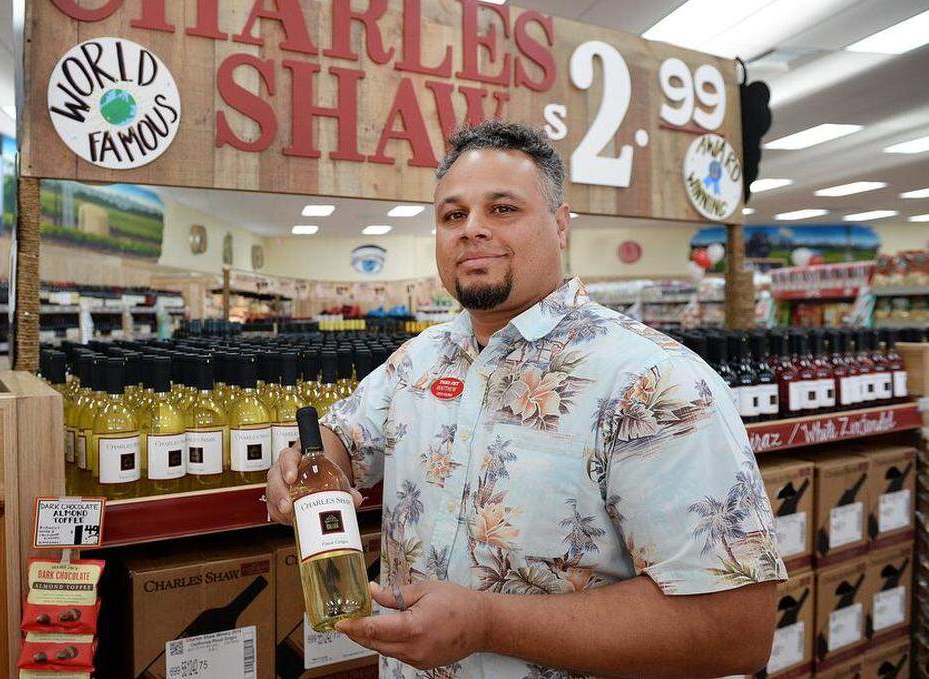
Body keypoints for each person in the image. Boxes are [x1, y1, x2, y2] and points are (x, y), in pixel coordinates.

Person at [266, 119, 785, 678]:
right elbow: (346, 436)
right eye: (453, 215)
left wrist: (487, 623)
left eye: (503, 209)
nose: (472, 230)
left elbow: (736, 627)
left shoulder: (657, 381)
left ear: (561, 226)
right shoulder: (419, 360)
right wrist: (311, 461)